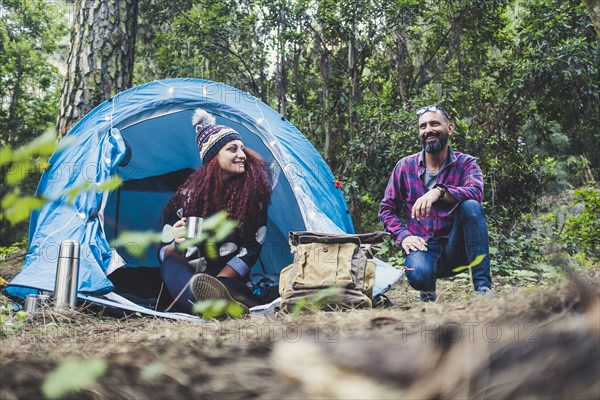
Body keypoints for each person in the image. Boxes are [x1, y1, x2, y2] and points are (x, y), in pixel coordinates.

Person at [158, 109, 272, 315]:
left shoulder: (253, 197)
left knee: (223, 288)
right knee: (170, 265)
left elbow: (251, 249)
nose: (242, 155)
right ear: (214, 158)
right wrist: (176, 242)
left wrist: (217, 283)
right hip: (190, 276)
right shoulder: (186, 195)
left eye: (242, 149)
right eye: (232, 149)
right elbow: (163, 250)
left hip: (229, 279)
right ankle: (214, 305)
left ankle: (213, 302)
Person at [379, 104, 493, 302]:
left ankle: (483, 289)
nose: (428, 130)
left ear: (449, 128)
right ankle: (427, 288)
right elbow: (387, 209)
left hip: (457, 247)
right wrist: (404, 236)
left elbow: (476, 191)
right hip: (424, 246)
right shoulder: (405, 167)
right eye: (423, 126)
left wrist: (438, 192)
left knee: (471, 205)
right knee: (418, 274)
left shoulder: (465, 163)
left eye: (434, 124)